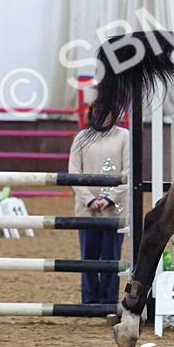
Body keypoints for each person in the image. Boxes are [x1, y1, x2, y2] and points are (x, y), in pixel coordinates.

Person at [69, 112, 130, 305]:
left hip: (115, 210)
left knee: (111, 257)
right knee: (88, 256)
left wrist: (111, 198)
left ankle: (108, 300)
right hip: (87, 210)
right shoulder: (80, 138)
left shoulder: (124, 136)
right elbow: (73, 171)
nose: (103, 117)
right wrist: (89, 199)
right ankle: (88, 300)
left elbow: (129, 171)